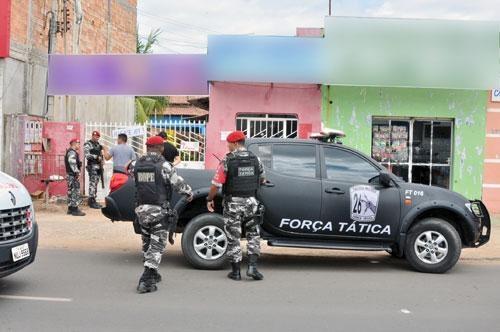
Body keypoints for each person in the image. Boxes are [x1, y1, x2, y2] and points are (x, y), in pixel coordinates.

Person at [130, 135, 193, 294]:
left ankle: (153, 273)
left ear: (147, 147)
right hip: (158, 210)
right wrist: (189, 193)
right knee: (157, 244)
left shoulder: (136, 163)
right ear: (161, 148)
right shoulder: (164, 165)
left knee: (147, 241)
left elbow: (132, 175)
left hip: (141, 210)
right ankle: (146, 280)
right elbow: (178, 184)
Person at [206, 130, 266, 281]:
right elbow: (263, 179)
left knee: (234, 236)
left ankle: (236, 272)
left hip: (233, 204)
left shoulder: (228, 160)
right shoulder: (256, 159)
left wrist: (209, 198)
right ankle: (252, 268)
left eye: (228, 144)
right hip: (251, 203)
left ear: (235, 143)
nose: (227, 146)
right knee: (253, 235)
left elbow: (216, 184)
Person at [64, 138, 85, 216]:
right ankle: (74, 209)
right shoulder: (72, 152)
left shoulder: (71, 152)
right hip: (72, 175)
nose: (79, 145)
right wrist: (77, 172)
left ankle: (70, 209)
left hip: (70, 175)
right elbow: (72, 163)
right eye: (78, 143)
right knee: (74, 192)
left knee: (71, 191)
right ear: (74, 143)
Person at [84, 130, 104, 209]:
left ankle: (94, 199)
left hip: (99, 167)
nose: (95, 137)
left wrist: (102, 161)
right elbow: (87, 156)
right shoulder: (88, 144)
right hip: (92, 166)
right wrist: (96, 157)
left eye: (97, 137)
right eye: (94, 136)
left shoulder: (98, 145)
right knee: (92, 183)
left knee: (95, 183)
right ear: (92, 136)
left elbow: (101, 155)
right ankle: (91, 201)